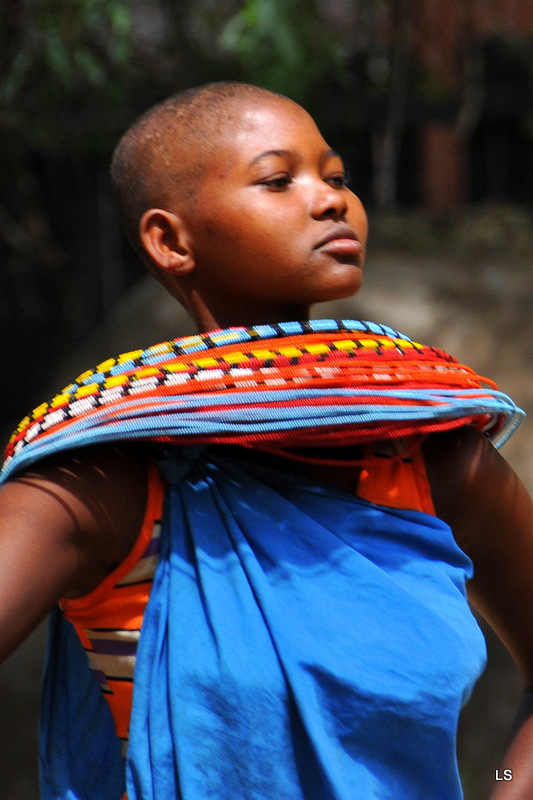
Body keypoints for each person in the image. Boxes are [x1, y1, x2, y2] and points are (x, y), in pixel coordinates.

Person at [0, 81, 532, 800]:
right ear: (170, 239)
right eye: (278, 180)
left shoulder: (435, 457)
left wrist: (503, 786)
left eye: (336, 177)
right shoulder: (111, 477)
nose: (330, 199)